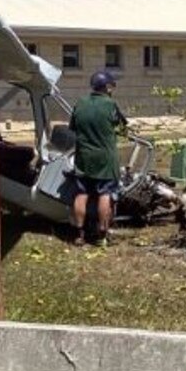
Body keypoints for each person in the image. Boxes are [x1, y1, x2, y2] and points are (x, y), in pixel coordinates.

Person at [69, 70, 127, 247]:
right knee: (105, 194)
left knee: (81, 194)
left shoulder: (80, 103)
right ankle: (102, 235)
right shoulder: (110, 105)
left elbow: (73, 127)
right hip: (104, 159)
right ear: (107, 87)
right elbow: (122, 126)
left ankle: (79, 234)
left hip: (83, 158)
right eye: (112, 85)